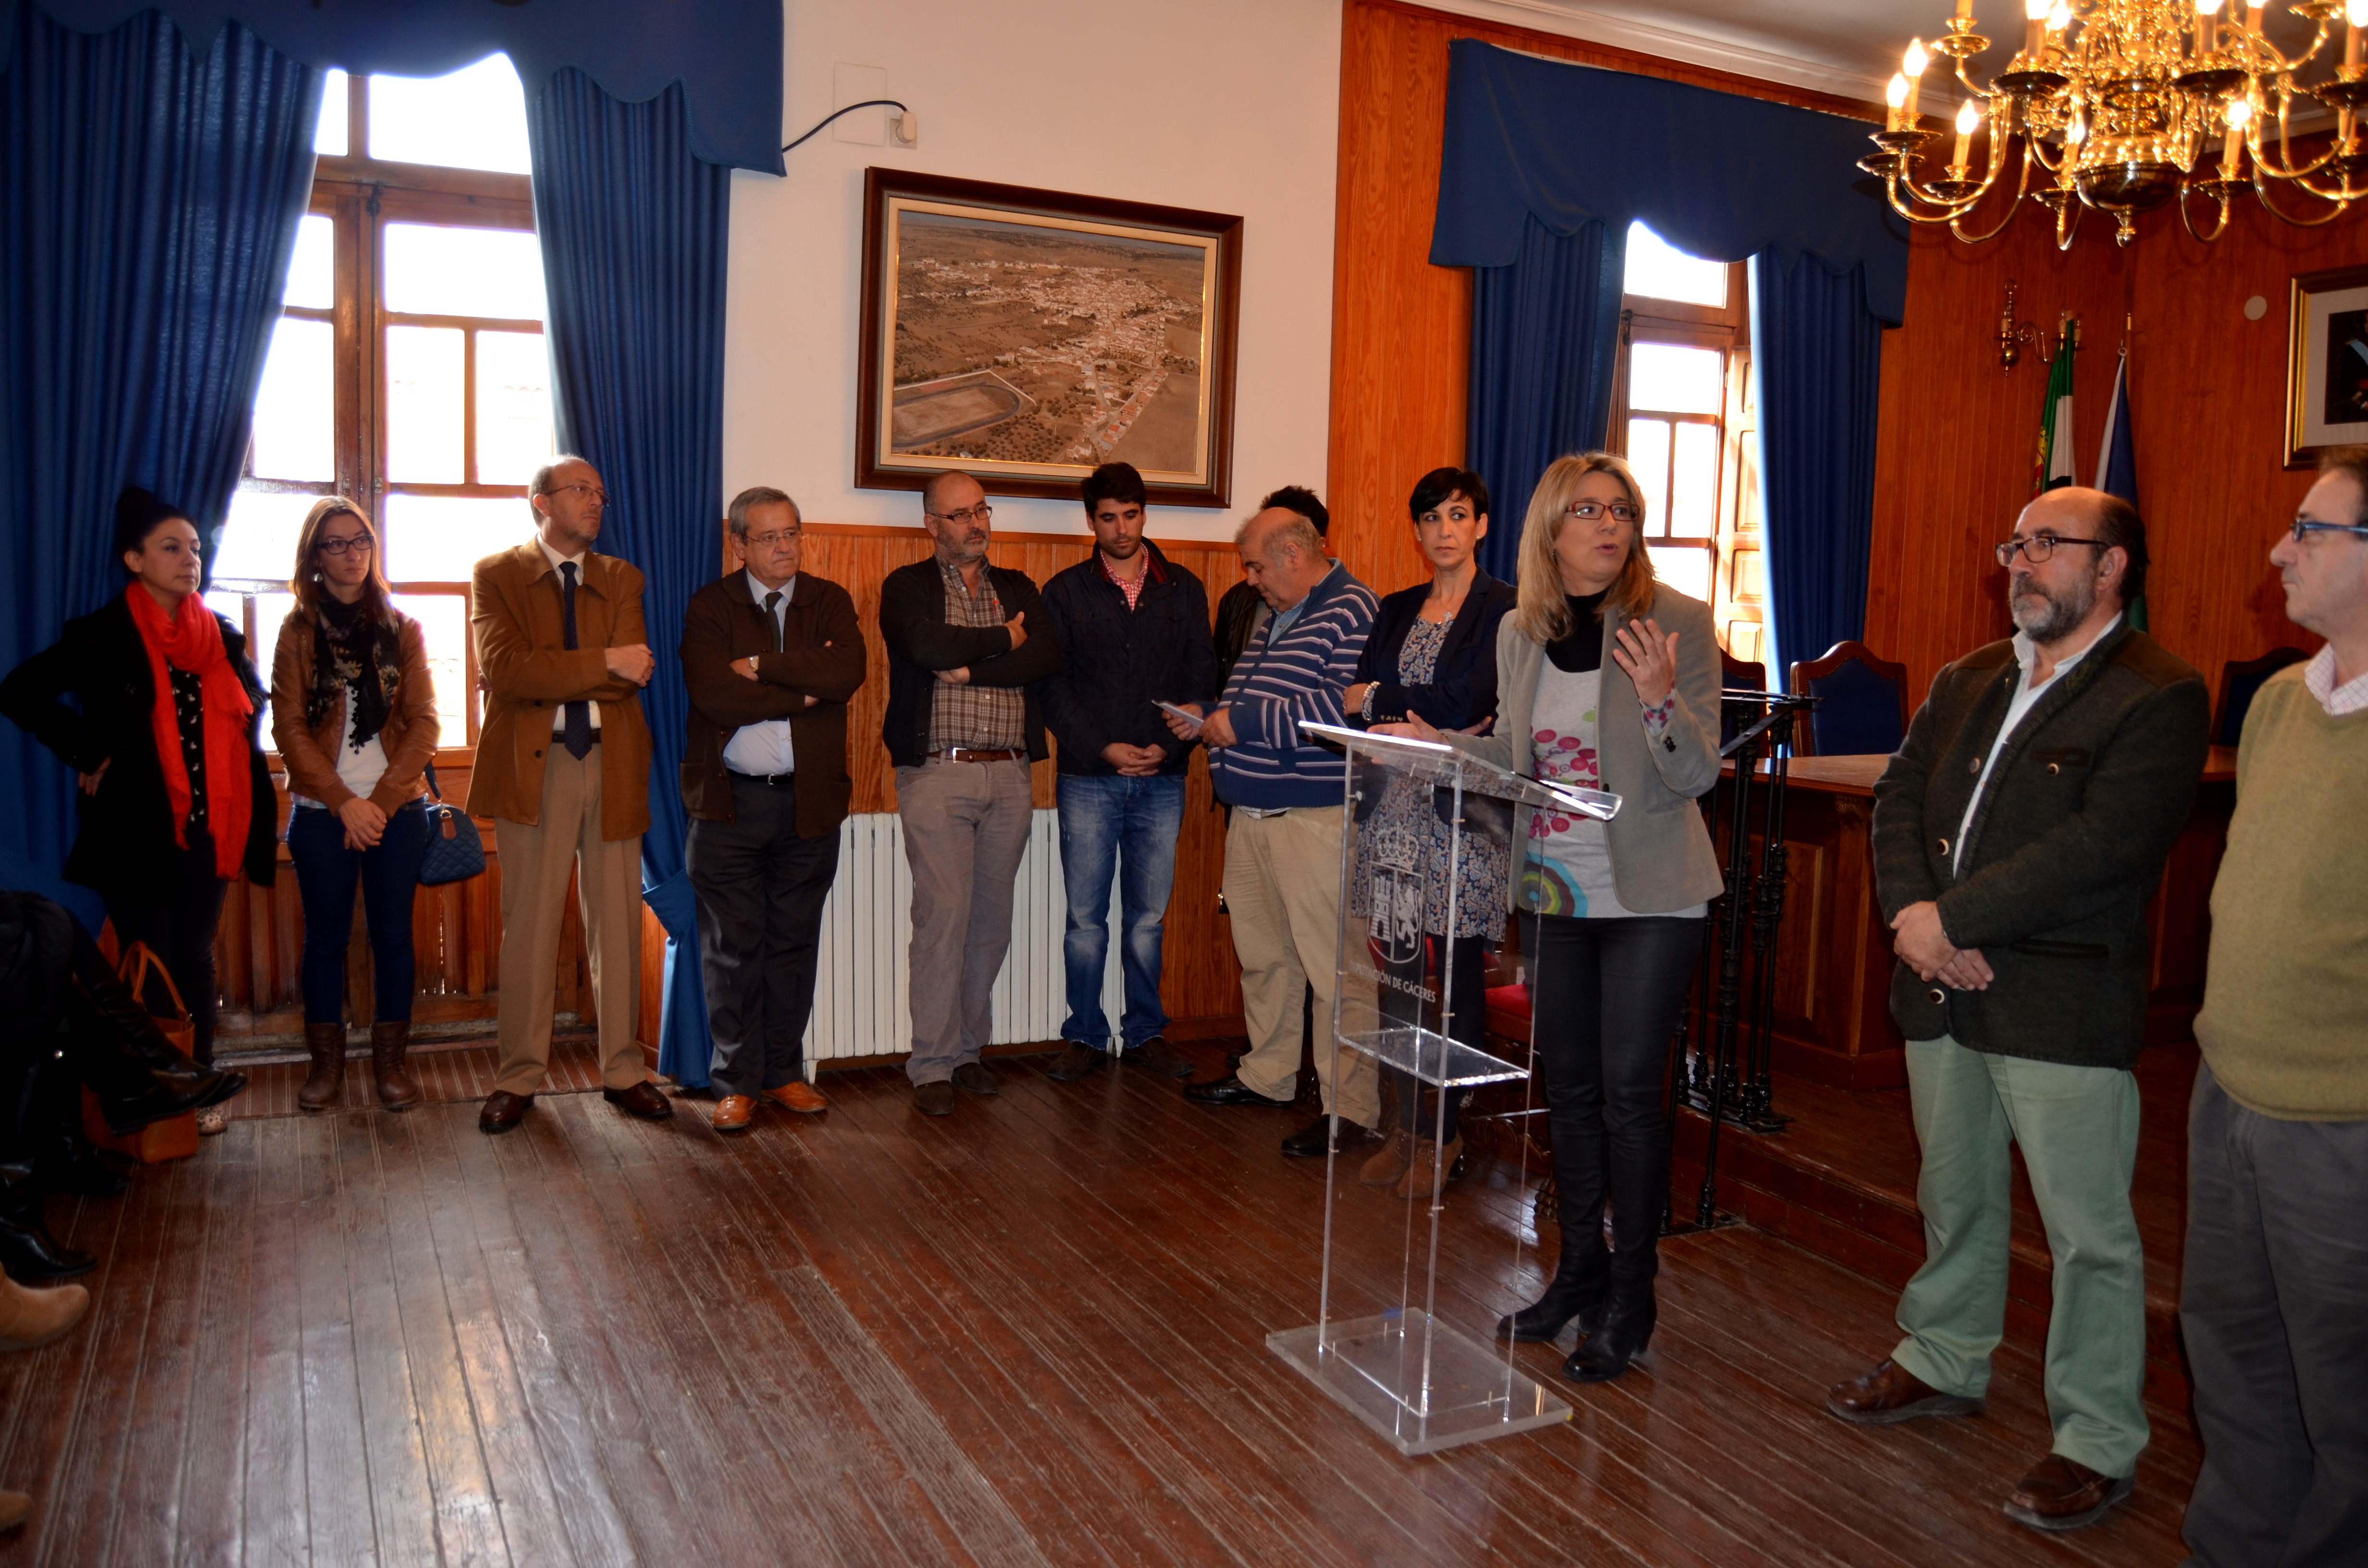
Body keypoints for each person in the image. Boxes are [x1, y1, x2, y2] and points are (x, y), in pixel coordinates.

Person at [1827, 487, 2208, 1533]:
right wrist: (1915, 919)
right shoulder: (1969, 676)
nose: (2021, 563)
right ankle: (1944, 1356)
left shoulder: (2158, 693)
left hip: (2059, 996)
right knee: (1953, 1193)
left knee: (2089, 1236)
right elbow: (1901, 797)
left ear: (2113, 565)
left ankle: (2093, 1437)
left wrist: (1947, 919)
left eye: (2047, 546)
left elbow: (2103, 849)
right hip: (1939, 984)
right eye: (2015, 544)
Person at [1386, 453, 1719, 1382]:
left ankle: (1632, 1294)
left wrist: (1657, 698)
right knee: (1566, 1089)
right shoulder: (1522, 630)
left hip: (1651, 893)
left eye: (1621, 509)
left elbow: (1696, 774)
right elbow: (1506, 748)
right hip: (1555, 890)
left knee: (1625, 1096)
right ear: (1548, 528)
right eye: (1586, 509)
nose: (1607, 524)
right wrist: (1432, 742)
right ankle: (1576, 1271)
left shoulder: (1675, 622)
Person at [2179, 448, 2368, 1568]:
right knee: (2234, 1356)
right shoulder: (2281, 705)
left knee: (2347, 1387)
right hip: (2225, 1089)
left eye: (2311, 527)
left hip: (2340, 1120)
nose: (2278, 548)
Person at [0, 488, 275, 1136]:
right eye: (171, 548)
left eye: (196, 549)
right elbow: (18, 692)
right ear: (134, 559)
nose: (190, 560)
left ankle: (198, 1086)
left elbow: (245, 718)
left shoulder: (222, 638)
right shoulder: (101, 636)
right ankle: (154, 1095)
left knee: (194, 957)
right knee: (148, 956)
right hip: (133, 830)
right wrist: (90, 750)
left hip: (211, 826)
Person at [1172, 490, 1382, 1158]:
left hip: (1315, 815)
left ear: (1294, 554)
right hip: (1256, 810)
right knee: (1265, 958)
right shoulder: (1276, 613)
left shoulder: (1354, 607)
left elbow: (1345, 707)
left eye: (1257, 566)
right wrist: (1207, 716)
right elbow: (1258, 697)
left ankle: (1351, 1109)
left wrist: (1241, 724)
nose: (1251, 579)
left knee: (1335, 969)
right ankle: (1269, 1076)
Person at [468, 457, 668, 1134]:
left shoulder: (622, 577)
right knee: (529, 927)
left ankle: (623, 1072)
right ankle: (519, 1078)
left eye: (600, 494)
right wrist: (602, 662)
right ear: (539, 503)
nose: (596, 503)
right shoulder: (496, 575)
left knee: (617, 920)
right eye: (581, 491)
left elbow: (633, 669)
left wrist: (592, 668)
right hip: (536, 769)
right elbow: (506, 672)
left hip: (612, 763)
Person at [1345, 466, 1517, 1201]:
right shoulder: (1394, 608)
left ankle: (1447, 1134)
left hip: (1460, 815)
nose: (1445, 530)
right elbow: (1353, 700)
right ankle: (1406, 1125)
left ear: (1481, 525)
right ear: (1416, 531)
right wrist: (1402, 710)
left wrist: (1387, 699)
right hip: (1391, 811)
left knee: (1457, 981)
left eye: (1459, 516)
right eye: (1431, 519)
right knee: (1398, 977)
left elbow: (1473, 699)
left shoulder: (1505, 609)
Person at [681, 488, 866, 1133]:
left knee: (792, 944)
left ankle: (784, 1073)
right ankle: (734, 1084)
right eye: (769, 538)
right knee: (732, 950)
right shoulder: (712, 607)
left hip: (807, 803)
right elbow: (714, 696)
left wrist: (762, 667)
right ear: (739, 545)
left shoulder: (828, 601)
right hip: (731, 807)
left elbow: (848, 674)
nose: (786, 547)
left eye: (793, 533)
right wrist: (802, 693)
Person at [879, 471, 1061, 1116]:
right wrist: (1004, 639)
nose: (975, 524)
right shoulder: (908, 588)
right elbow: (926, 645)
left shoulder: (1018, 587)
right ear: (932, 525)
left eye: (981, 510)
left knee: (990, 922)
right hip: (938, 772)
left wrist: (975, 661)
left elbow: (1047, 654)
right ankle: (931, 1064)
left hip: (1011, 774)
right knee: (943, 918)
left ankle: (967, 1054)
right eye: (958, 515)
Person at [1037, 462, 1215, 1085]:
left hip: (1164, 779)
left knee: (1148, 920)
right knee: (1086, 920)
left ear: (1145, 513)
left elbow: (1203, 683)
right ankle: (1085, 1034)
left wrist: (1175, 747)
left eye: (1131, 514)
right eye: (1108, 517)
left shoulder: (1185, 590)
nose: (1121, 528)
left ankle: (1144, 1033)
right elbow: (1052, 690)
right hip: (1090, 776)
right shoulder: (1065, 592)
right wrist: (1105, 748)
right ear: (1092, 521)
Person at [270, 498, 439, 1113]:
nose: (350, 553)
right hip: (323, 814)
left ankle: (391, 1066)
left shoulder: (404, 629)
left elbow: (424, 726)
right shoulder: (297, 632)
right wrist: (344, 802)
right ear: (315, 558)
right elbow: (287, 728)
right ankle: (325, 1070)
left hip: (396, 813)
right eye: (335, 544)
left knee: (394, 938)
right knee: (326, 941)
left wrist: (383, 802)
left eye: (359, 540)